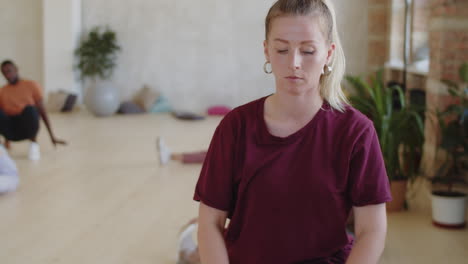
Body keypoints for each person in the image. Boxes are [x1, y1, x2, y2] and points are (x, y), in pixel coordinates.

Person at [194, 1, 392, 263]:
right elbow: (210, 222)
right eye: (282, 49)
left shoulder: (356, 131)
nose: (294, 63)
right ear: (266, 51)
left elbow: (372, 229)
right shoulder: (235, 126)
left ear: (329, 54)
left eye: (308, 51)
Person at [0, 60, 66, 160]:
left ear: (16, 69)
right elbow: (3, 117)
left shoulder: (31, 85)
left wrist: (52, 136)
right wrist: (6, 141)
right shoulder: (2, 91)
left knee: (30, 109)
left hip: (28, 127)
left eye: (9, 71)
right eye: (4, 73)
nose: (7, 75)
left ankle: (34, 144)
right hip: (11, 130)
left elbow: (42, 112)